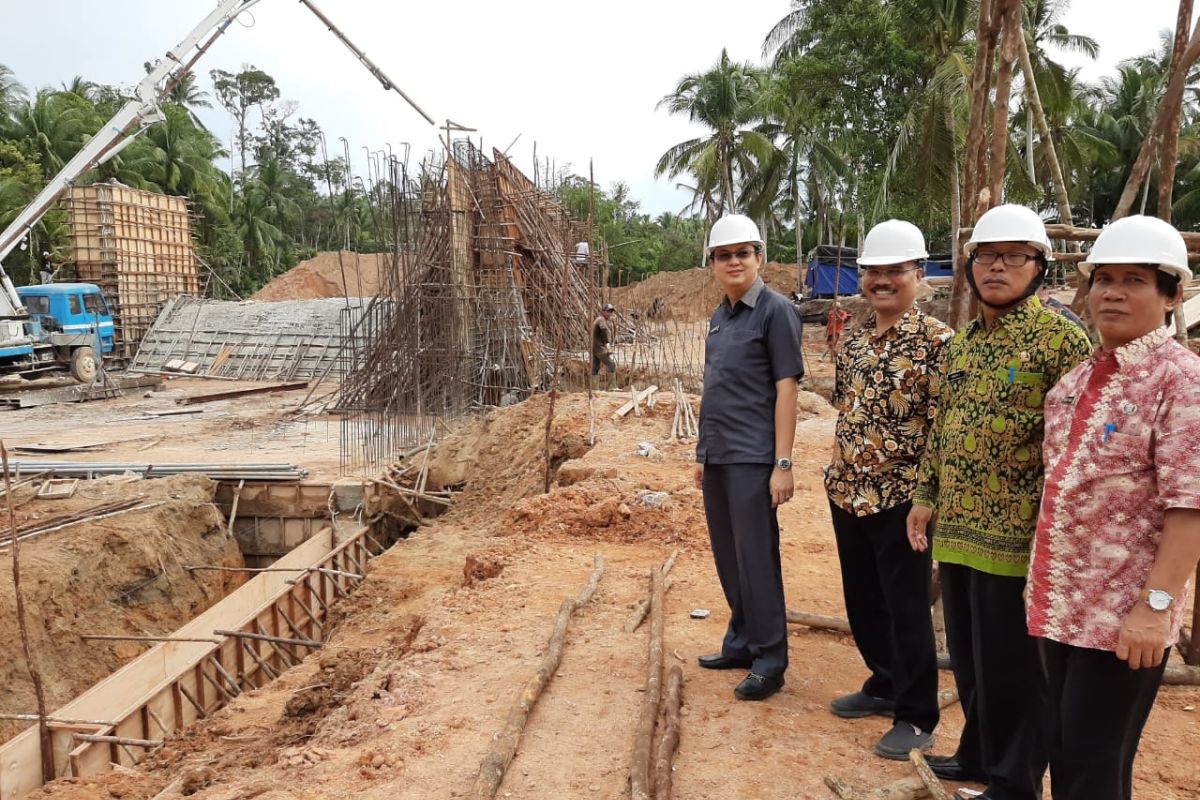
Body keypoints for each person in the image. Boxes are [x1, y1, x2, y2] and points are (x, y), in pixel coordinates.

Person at [906, 204, 1092, 800]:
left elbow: (1072, 444)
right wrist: (925, 495)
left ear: (1038, 267)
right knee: (968, 655)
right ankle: (979, 752)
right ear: (968, 266)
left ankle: (1015, 780)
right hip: (958, 530)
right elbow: (944, 425)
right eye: (987, 255)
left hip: (1018, 538)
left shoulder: (1060, 339)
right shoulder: (961, 345)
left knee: (1014, 665)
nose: (998, 267)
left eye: (1015, 256)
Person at [1026, 215, 1200, 800]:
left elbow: (1190, 508)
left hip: (1122, 621)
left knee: (1095, 768)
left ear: (1172, 294)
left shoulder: (1180, 383)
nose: (1113, 293)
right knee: (1063, 753)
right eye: (1103, 279)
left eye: (1134, 281)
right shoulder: (1078, 379)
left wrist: (1155, 608)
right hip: (1059, 605)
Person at [825, 220, 953, 759]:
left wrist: (928, 499)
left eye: (895, 271)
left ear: (918, 276)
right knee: (863, 600)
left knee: (905, 606)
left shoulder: (938, 344)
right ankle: (883, 681)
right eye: (873, 271)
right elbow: (843, 410)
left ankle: (917, 713)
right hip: (848, 492)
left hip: (902, 500)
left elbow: (944, 427)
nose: (882, 280)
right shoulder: (853, 344)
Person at [694, 213, 804, 702]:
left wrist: (783, 462)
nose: (733, 261)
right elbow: (716, 388)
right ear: (713, 264)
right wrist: (703, 453)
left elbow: (786, 389)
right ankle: (740, 641)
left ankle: (770, 659)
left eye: (743, 253)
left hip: (754, 457)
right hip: (719, 455)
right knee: (729, 557)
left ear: (760, 257)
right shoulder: (721, 316)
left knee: (757, 559)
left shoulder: (775, 311)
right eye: (724, 255)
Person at [591, 303, 617, 390]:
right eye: (608, 311)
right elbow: (604, 332)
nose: (610, 314)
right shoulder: (601, 320)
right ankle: (611, 387)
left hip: (595, 347)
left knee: (595, 368)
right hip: (600, 348)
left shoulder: (599, 319)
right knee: (611, 365)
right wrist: (608, 346)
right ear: (603, 311)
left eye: (611, 312)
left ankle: (595, 389)